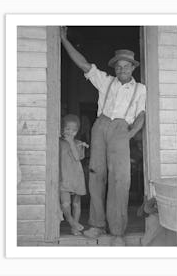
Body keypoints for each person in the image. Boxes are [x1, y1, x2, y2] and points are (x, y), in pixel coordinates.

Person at [61, 27, 146, 245]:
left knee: (120, 180)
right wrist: (63, 40)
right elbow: (82, 64)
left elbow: (141, 116)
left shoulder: (141, 90)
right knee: (96, 176)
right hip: (101, 126)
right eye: (118, 66)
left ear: (132, 68)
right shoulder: (106, 81)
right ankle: (97, 225)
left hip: (122, 131)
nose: (122, 69)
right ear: (115, 69)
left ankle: (117, 231)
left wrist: (128, 136)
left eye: (126, 66)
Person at [59, 114, 89, 236]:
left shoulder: (78, 143)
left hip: (76, 177)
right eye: (67, 129)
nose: (70, 132)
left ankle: (75, 226)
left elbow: (77, 157)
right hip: (63, 177)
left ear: (77, 131)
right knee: (65, 203)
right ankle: (71, 221)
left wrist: (72, 142)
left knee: (76, 203)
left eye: (74, 130)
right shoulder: (58, 142)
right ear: (61, 129)